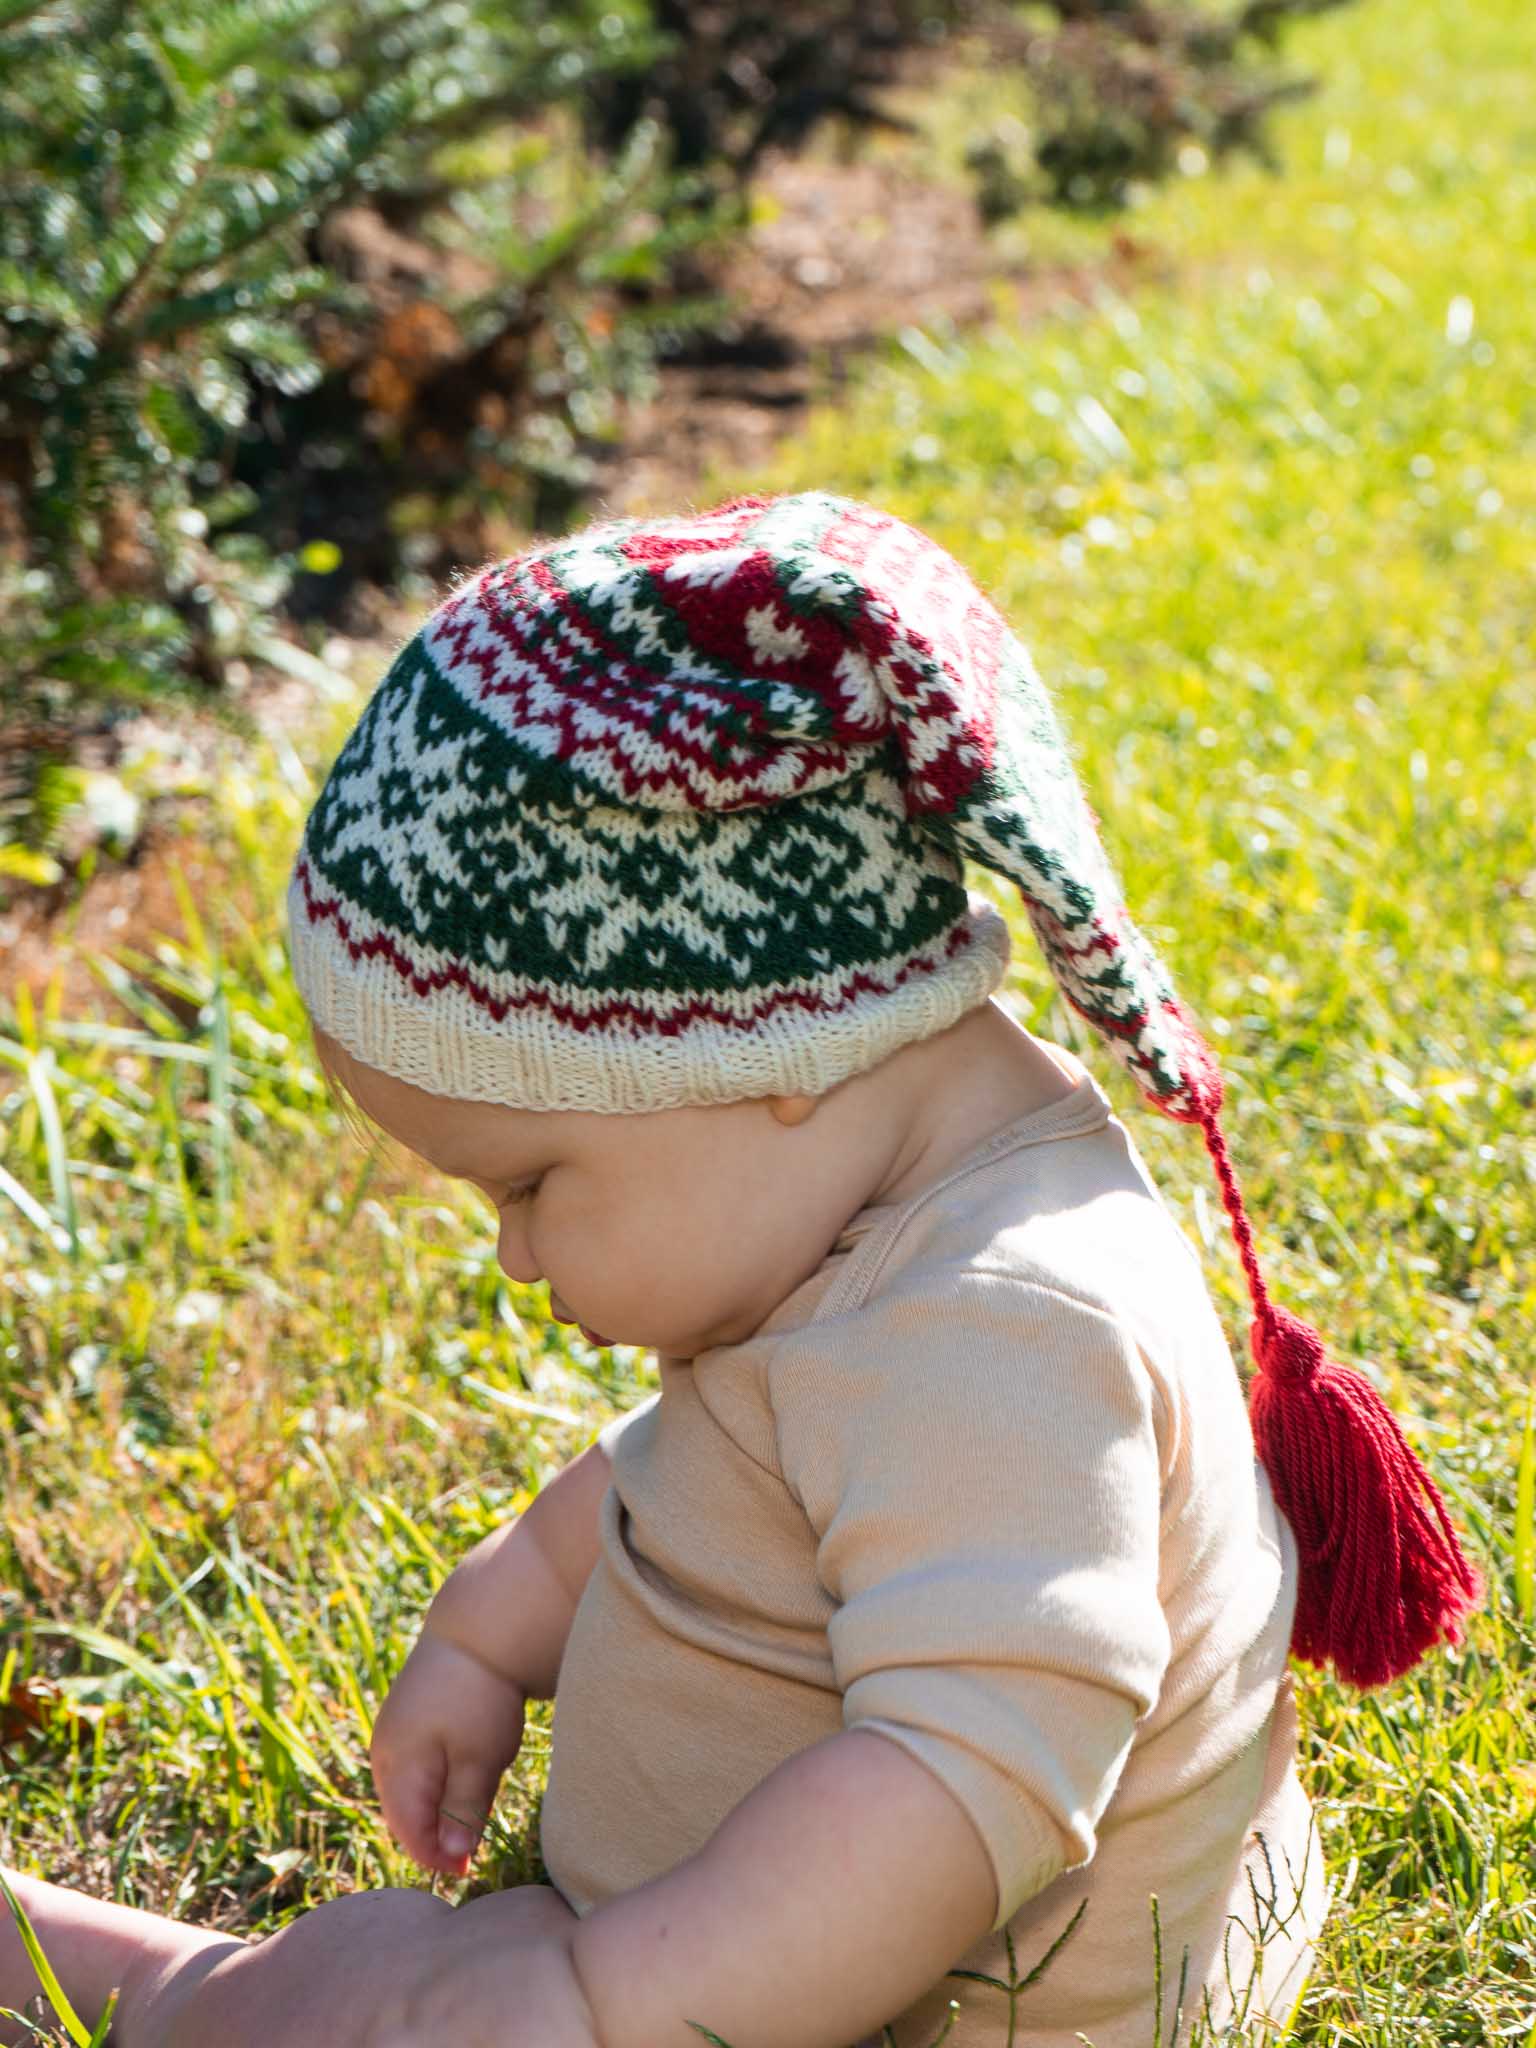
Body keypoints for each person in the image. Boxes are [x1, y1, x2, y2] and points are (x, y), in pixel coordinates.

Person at [1, 489, 1483, 2048]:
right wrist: (495, 1621)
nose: (511, 1253)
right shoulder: (871, 1213)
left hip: (931, 2016)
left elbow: (957, 1784)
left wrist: (605, 1997)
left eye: (527, 1181)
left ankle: (156, 1990)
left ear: (775, 1047)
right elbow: (733, 1463)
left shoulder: (1000, 1329)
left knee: (392, 2003)